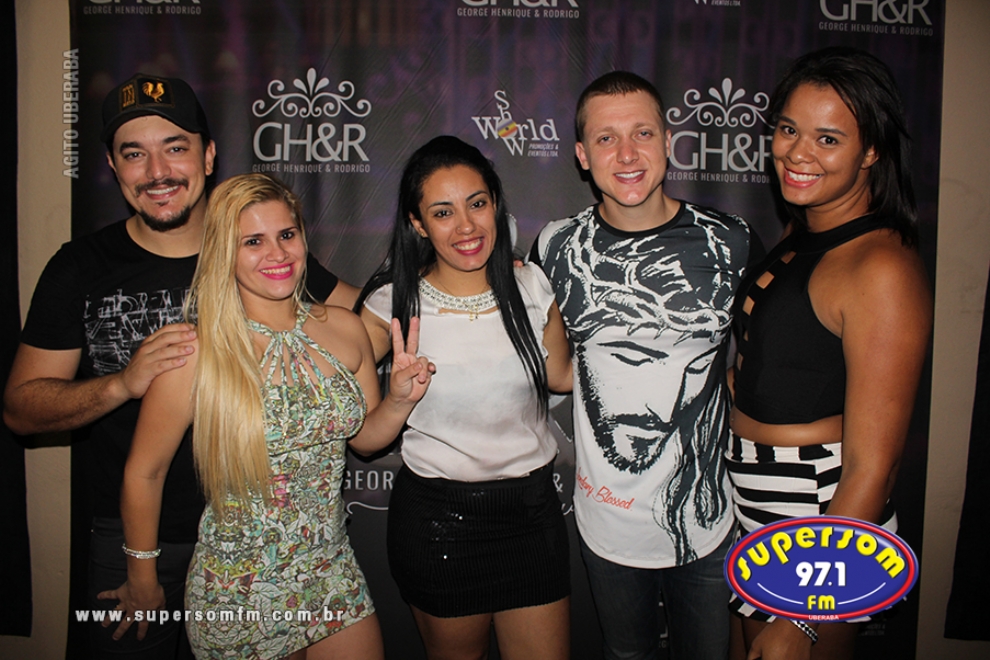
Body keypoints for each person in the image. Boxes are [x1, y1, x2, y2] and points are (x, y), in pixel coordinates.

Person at [2, 73, 358, 659]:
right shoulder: (80, 268)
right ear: (112, 167)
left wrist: (471, 278)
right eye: (133, 154)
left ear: (209, 155)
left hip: (263, 542)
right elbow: (21, 410)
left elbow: (366, 318)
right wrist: (122, 384)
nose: (157, 171)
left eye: (174, 147)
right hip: (139, 545)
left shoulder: (260, 250)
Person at [115, 173, 432, 659]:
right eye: (253, 241)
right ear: (224, 252)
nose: (278, 253)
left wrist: (399, 401)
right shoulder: (195, 353)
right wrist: (142, 576)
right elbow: (145, 472)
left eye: (287, 234)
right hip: (238, 587)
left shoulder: (345, 328)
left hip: (330, 572)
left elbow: (365, 440)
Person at [530, 71, 759, 660]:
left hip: (710, 521)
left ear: (668, 142)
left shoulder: (730, 241)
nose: (627, 154)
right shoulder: (555, 247)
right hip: (607, 525)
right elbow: (553, 369)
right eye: (606, 138)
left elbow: (763, 365)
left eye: (643, 133)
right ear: (582, 155)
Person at [726, 47, 932, 660]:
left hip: (818, 508)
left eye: (828, 139)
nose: (797, 153)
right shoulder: (807, 228)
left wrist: (805, 619)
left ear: (871, 151)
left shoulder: (882, 267)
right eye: (788, 129)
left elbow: (874, 466)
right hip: (759, 491)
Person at [357, 136, 572, 660]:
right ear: (417, 223)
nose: (466, 226)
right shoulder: (391, 304)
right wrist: (398, 400)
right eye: (442, 212)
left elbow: (563, 377)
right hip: (439, 525)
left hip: (533, 516)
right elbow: (362, 439)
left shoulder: (532, 286)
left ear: (496, 204)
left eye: (477, 203)